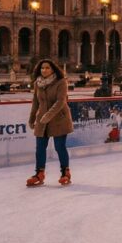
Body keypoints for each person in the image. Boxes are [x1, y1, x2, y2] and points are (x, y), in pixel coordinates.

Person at [26, 59, 74, 187]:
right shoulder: (38, 83)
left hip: (59, 119)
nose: (44, 70)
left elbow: (60, 101)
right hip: (42, 119)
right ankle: (39, 173)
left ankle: (65, 172)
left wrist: (48, 115)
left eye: (47, 68)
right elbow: (36, 102)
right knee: (40, 148)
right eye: (42, 68)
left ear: (53, 69)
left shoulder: (61, 82)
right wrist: (31, 118)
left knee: (59, 147)